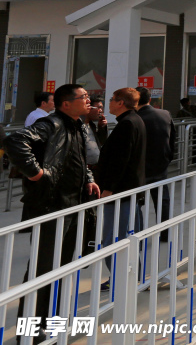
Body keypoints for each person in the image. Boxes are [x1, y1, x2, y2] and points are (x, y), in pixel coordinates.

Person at [4, 84, 100, 327]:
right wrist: (37, 174)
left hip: (71, 205)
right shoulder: (52, 124)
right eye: (83, 97)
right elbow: (15, 141)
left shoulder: (77, 125)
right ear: (65, 104)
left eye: (88, 96)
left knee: (62, 267)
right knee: (43, 269)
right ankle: (32, 331)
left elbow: (77, 158)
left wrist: (88, 180)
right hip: (50, 207)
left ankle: (51, 325)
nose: (88, 101)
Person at [96, 87, 148, 284]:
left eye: (112, 99)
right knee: (126, 235)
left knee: (114, 238)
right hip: (128, 189)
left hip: (121, 191)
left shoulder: (127, 124)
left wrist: (109, 187)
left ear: (120, 102)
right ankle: (133, 275)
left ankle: (121, 277)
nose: (109, 102)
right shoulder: (134, 120)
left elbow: (120, 160)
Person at [136, 86, 175, 237]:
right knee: (162, 199)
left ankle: (137, 232)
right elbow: (172, 139)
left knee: (138, 201)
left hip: (140, 166)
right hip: (161, 164)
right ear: (150, 99)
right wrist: (168, 157)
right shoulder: (164, 114)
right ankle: (165, 232)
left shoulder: (134, 117)